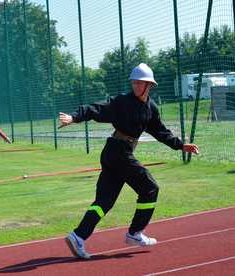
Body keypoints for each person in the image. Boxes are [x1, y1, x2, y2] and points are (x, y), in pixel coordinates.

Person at [59, 63, 199, 259]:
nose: (135, 86)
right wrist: (74, 117)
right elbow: (96, 108)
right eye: (134, 82)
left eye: (140, 83)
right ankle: (135, 233)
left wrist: (180, 145)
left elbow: (160, 131)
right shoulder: (122, 102)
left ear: (149, 85)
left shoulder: (151, 108)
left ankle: (78, 236)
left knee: (104, 202)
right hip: (118, 152)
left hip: (116, 154)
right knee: (150, 188)